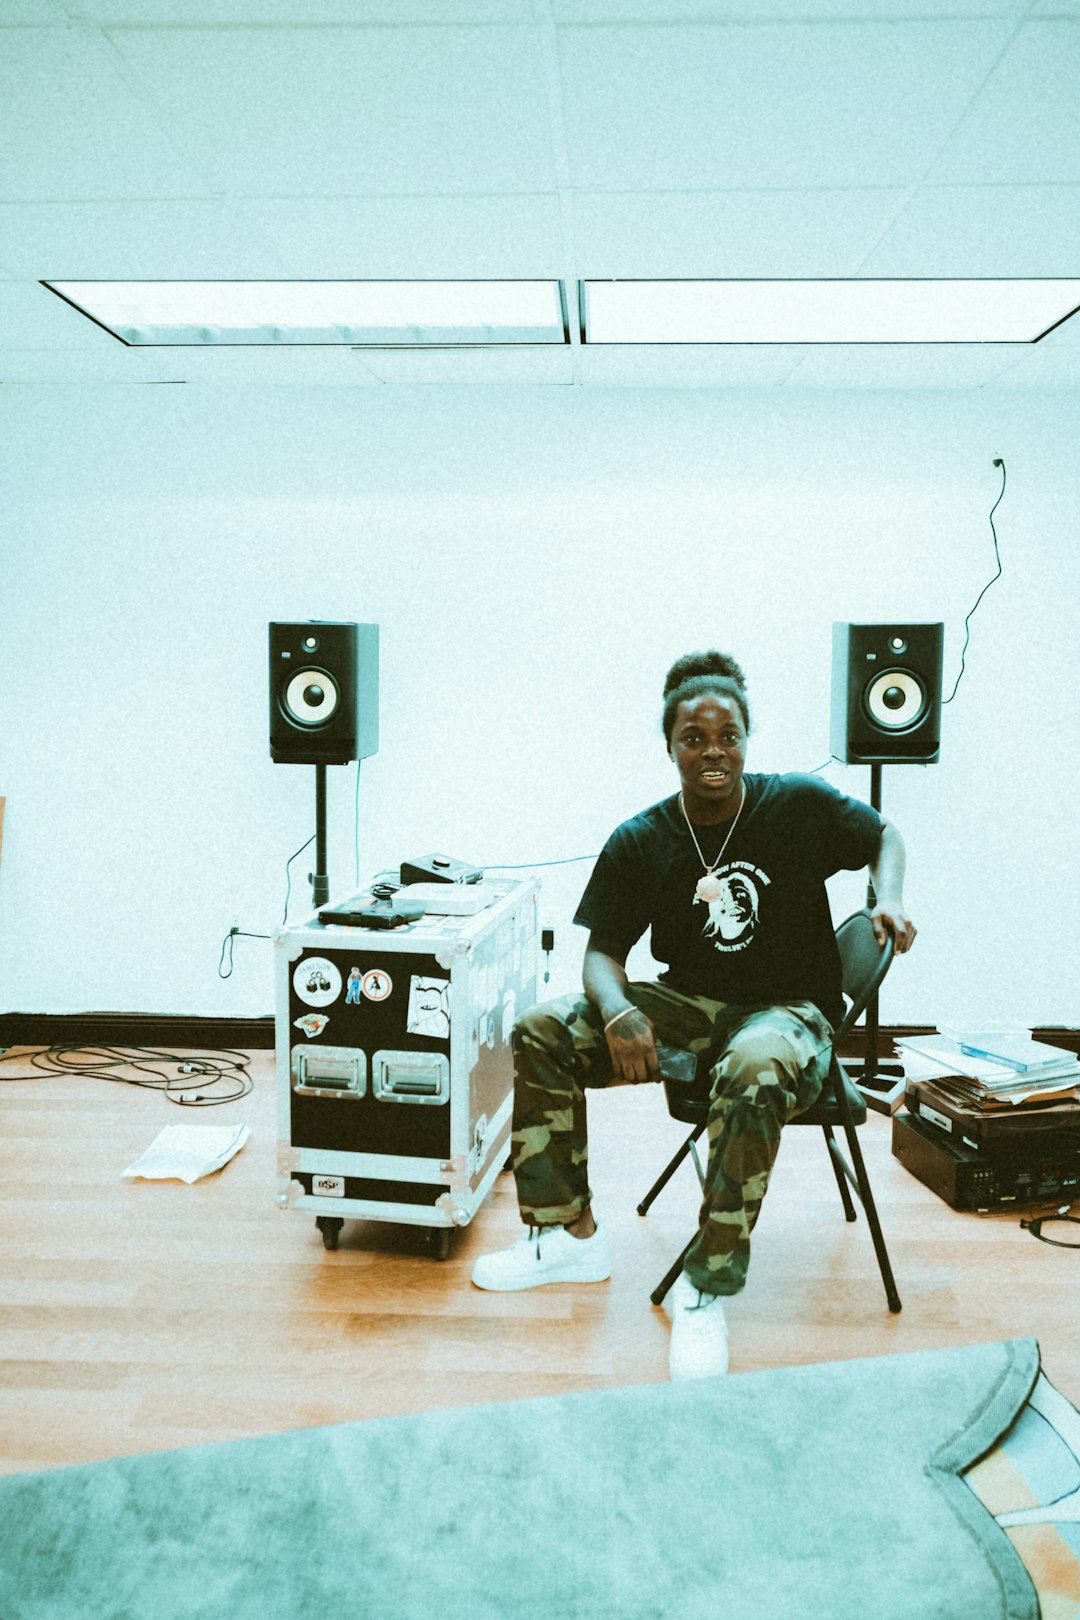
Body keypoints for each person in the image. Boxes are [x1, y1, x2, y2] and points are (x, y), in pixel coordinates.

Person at [471, 650, 916, 1379]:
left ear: (747, 736)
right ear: (670, 743)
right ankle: (568, 1237)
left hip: (788, 1006)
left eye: (729, 735)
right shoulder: (642, 839)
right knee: (543, 1030)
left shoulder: (797, 805)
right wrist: (616, 1010)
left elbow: (883, 837)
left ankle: (706, 1288)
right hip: (688, 1005)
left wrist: (888, 896)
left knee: (754, 1063)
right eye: (694, 737)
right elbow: (601, 954)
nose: (714, 752)